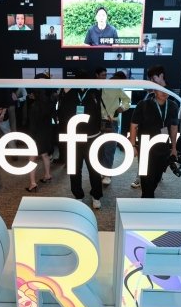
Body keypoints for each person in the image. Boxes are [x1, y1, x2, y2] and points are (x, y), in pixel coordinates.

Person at [57, 70, 103, 209]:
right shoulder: (69, 92)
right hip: (74, 138)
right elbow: (61, 113)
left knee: (94, 169)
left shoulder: (95, 91)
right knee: (75, 169)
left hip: (92, 138)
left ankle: (96, 196)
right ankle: (78, 195)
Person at [129, 87, 179, 198]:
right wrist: (132, 145)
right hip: (145, 146)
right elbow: (134, 125)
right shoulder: (143, 105)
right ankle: (147, 199)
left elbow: (174, 127)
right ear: (155, 91)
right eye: (161, 90)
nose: (164, 93)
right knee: (146, 178)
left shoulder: (173, 106)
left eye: (167, 90)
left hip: (163, 146)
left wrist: (174, 147)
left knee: (157, 176)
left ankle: (148, 196)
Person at [97, 69, 131, 185]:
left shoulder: (112, 87)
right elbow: (127, 101)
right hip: (105, 121)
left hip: (109, 121)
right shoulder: (110, 87)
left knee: (106, 149)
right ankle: (104, 172)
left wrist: (121, 108)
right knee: (105, 149)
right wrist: (121, 108)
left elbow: (127, 101)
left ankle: (106, 173)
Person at [24, 73, 55, 192]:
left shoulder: (34, 106)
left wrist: (31, 138)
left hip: (36, 134)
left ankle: (33, 183)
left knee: (32, 158)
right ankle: (47, 175)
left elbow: (33, 125)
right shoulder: (51, 100)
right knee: (45, 154)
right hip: (47, 132)